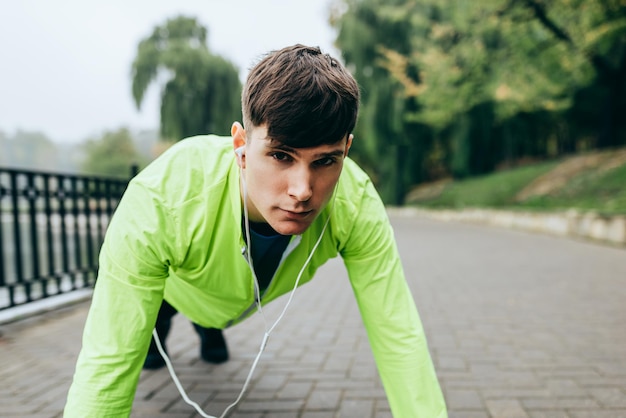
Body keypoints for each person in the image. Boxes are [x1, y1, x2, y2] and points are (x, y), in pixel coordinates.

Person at [64, 44, 447, 417]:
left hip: (238, 296)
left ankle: (209, 327)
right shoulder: (162, 200)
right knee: (146, 336)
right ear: (241, 145)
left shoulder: (355, 203)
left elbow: (398, 333)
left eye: (326, 160)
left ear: (346, 149)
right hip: (175, 287)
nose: (302, 191)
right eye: (281, 156)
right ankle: (178, 326)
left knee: (218, 313)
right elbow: (107, 359)